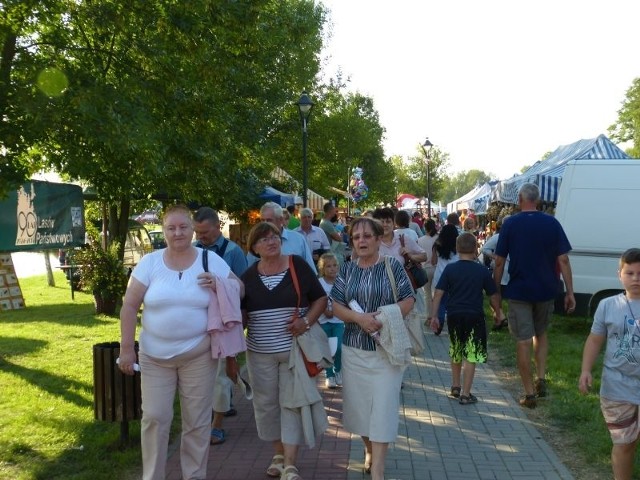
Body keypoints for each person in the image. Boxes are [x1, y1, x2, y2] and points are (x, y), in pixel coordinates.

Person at [118, 204, 244, 480]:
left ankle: (194, 475)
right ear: (163, 231)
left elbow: (240, 288)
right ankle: (152, 476)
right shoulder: (149, 263)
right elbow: (129, 306)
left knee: (197, 423)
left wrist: (219, 284)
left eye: (183, 227)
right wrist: (126, 349)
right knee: (154, 419)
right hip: (154, 357)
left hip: (198, 356)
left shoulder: (210, 260)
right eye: (171, 228)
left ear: (192, 229)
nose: (178, 233)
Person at [241, 221, 328, 480]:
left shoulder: (297, 266)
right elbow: (241, 314)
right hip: (259, 353)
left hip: (294, 351)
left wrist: (306, 321)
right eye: (264, 239)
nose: (271, 241)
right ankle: (278, 454)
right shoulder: (247, 277)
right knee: (267, 405)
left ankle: (290, 463)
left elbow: (321, 299)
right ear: (255, 247)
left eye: (275, 236)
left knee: (292, 403)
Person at [331, 216, 415, 480]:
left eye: (367, 236)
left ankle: (377, 469)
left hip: (386, 351)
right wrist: (359, 318)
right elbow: (336, 305)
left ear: (379, 239)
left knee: (383, 408)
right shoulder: (347, 270)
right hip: (355, 351)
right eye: (356, 237)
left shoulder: (392, 266)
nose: (362, 241)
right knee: (360, 410)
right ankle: (368, 449)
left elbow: (409, 299)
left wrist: (381, 318)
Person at [494, 183, 576, 409]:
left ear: (520, 199)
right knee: (541, 333)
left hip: (520, 290)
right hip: (547, 289)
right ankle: (541, 378)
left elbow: (499, 261)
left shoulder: (510, 224)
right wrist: (570, 291)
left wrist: (496, 295)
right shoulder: (552, 223)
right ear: (538, 200)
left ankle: (529, 393)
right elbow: (564, 260)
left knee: (523, 341)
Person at [579, 248, 640, 480]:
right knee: (624, 442)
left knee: (634, 441)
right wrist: (586, 371)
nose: (636, 278)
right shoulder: (607, 305)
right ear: (620, 275)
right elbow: (595, 340)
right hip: (617, 385)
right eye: (630, 273)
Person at [193, 206, 248, 445]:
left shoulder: (233, 252)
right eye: (197, 232)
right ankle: (214, 411)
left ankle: (216, 425)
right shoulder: (192, 251)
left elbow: (243, 290)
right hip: (196, 323)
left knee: (220, 376)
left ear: (218, 226)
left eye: (205, 232)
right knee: (200, 376)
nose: (200, 237)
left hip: (223, 323)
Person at [429, 233, 501, 404]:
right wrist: (498, 312)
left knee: (456, 349)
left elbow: (438, 293)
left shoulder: (450, 269)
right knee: (471, 354)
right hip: (475, 315)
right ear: (476, 248)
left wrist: (434, 316)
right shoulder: (482, 271)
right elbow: (493, 296)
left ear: (456, 248)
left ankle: (455, 386)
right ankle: (466, 394)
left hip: (454, 315)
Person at [247, 202, 316, 273]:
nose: (265, 224)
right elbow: (250, 272)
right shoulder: (257, 241)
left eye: (269, 220)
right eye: (262, 220)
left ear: (280, 220)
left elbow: (311, 271)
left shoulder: (298, 239)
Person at [317, 252, 344, 389]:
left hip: (338, 321)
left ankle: (338, 371)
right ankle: (329, 375)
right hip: (323, 321)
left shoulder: (341, 282)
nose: (332, 269)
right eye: (328, 266)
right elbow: (316, 301)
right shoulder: (319, 283)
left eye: (334, 266)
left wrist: (336, 311)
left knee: (338, 348)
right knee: (327, 349)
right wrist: (325, 311)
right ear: (322, 269)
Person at [480, 215, 510, 331]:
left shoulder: (499, 237)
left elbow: (484, 249)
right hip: (507, 270)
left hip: (503, 270)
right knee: (498, 295)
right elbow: (485, 249)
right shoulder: (499, 237)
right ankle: (500, 317)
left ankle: (500, 317)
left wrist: (495, 257)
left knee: (495, 295)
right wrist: (495, 257)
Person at [431, 224, 460, 335]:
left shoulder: (437, 245)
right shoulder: (458, 246)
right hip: (455, 276)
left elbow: (433, 261)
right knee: (453, 301)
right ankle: (454, 324)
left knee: (440, 301)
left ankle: (439, 322)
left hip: (439, 276)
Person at [417, 218, 439, 323]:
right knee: (437, 293)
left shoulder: (420, 240)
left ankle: (429, 316)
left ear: (425, 228)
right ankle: (438, 315)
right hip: (437, 268)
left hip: (425, 269)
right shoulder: (439, 239)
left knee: (427, 294)